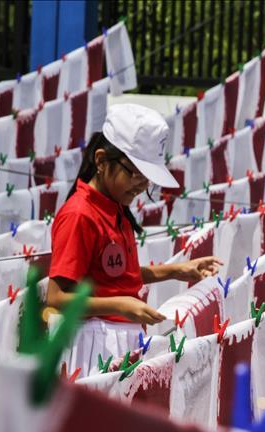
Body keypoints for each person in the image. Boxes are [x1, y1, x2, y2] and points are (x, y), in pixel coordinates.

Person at [46, 103, 222, 376]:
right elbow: (57, 298)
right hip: (93, 346)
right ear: (101, 161)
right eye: (135, 173)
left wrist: (176, 270)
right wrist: (120, 304)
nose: (141, 185)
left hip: (119, 339)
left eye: (147, 177)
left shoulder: (114, 207)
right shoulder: (80, 214)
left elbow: (113, 276)